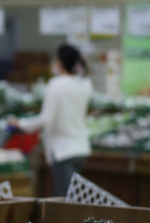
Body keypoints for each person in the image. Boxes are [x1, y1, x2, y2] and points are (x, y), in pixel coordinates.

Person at [9, 43, 93, 198]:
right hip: (81, 148)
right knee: (69, 194)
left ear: (60, 63)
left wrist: (21, 124)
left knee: (63, 198)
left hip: (62, 150)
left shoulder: (56, 85)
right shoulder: (85, 84)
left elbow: (46, 118)